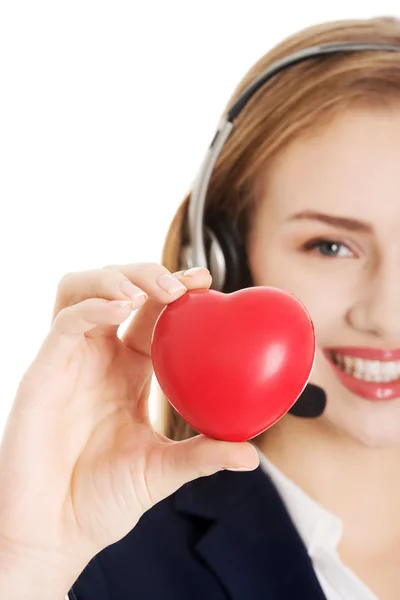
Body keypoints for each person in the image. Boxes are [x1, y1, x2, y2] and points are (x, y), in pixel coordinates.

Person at [2, 15, 400, 600]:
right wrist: (25, 566)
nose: (386, 313)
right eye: (331, 246)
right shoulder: (96, 566)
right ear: (226, 256)